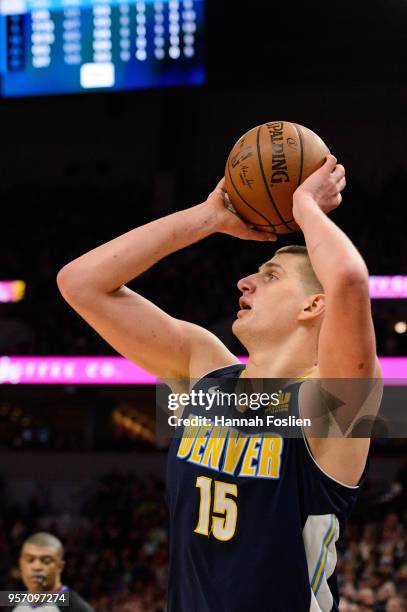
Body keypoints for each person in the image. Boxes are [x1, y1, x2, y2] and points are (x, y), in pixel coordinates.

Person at [57, 155, 382, 611]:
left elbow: (348, 279)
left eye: (270, 276)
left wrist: (304, 205)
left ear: (313, 305)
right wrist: (207, 217)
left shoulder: (329, 407)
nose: (244, 282)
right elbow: (80, 283)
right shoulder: (203, 368)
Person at [11, 532, 93, 611]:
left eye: (46, 561)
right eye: (30, 560)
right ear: (20, 564)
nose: (36, 567)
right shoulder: (12, 604)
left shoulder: (77, 608)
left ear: (60, 567)